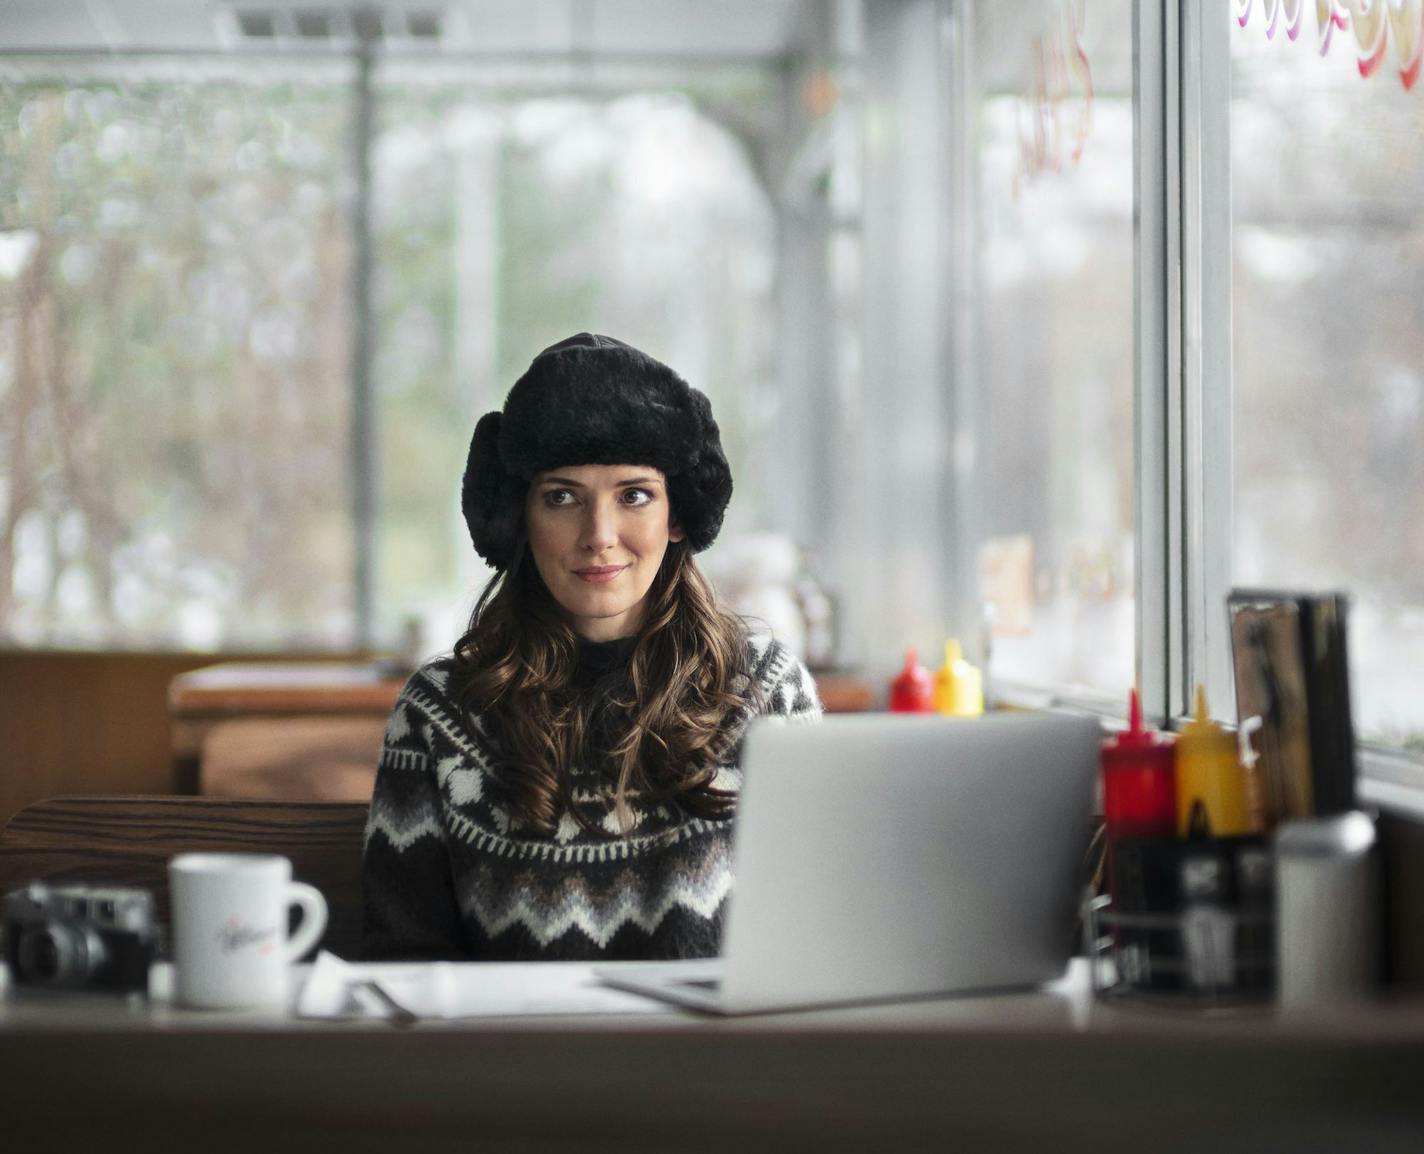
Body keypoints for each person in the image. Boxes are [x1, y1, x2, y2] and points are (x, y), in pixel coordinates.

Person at [362, 333, 821, 961]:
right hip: (512, 1060)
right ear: (519, 518)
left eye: (634, 495)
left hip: (716, 1061)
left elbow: (813, 944)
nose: (599, 536)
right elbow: (404, 970)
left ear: (677, 515)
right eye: (561, 497)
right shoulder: (437, 711)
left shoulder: (769, 692)